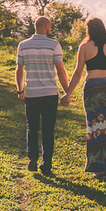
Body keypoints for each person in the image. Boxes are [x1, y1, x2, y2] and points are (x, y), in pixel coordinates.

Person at [63, 17, 106, 176]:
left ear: (89, 30)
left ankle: (98, 167)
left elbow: (78, 73)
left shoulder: (84, 47)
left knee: (94, 125)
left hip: (93, 87)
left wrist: (68, 94)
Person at [15, 15, 70, 176]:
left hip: (32, 92)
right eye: (50, 27)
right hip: (49, 93)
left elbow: (19, 69)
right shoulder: (54, 45)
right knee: (48, 130)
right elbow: (60, 70)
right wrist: (67, 91)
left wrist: (20, 89)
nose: (51, 30)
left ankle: (32, 157)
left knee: (32, 127)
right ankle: (46, 164)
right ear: (45, 27)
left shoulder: (23, 45)